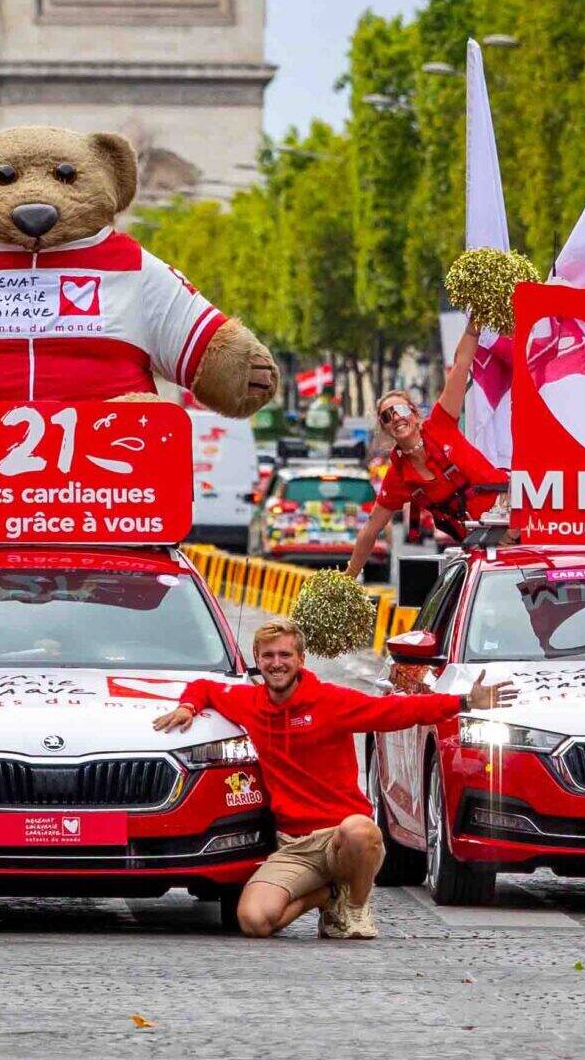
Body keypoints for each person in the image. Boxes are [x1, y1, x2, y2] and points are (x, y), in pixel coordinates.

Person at [153, 616, 515, 938]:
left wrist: (463, 703)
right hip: (294, 846)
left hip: (342, 838)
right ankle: (327, 895)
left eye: (285, 656)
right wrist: (187, 707)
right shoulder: (248, 702)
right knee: (253, 921)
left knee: (360, 830)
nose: (276, 664)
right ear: (257, 661)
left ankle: (353, 907)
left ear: (300, 660)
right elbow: (204, 687)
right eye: (268, 657)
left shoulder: (330, 701)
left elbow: (396, 710)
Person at [345, 323, 507, 576]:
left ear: (413, 413)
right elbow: (371, 529)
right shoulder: (398, 477)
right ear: (385, 429)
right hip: (481, 548)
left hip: (515, 519)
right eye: (387, 417)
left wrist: (474, 326)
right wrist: (348, 577)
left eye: (399, 410)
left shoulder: (441, 424)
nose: (395, 418)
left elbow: (461, 365)